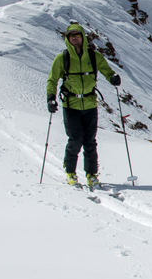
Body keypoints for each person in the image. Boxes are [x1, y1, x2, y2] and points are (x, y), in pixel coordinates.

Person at [46, 23, 121, 188]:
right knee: (75, 140)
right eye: (71, 35)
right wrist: (51, 97)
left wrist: (113, 78)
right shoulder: (62, 58)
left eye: (77, 35)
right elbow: (52, 79)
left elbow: (107, 71)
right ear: (67, 38)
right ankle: (70, 171)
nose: (74, 38)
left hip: (89, 104)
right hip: (71, 104)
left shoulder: (94, 57)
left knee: (90, 141)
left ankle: (91, 174)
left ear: (82, 37)